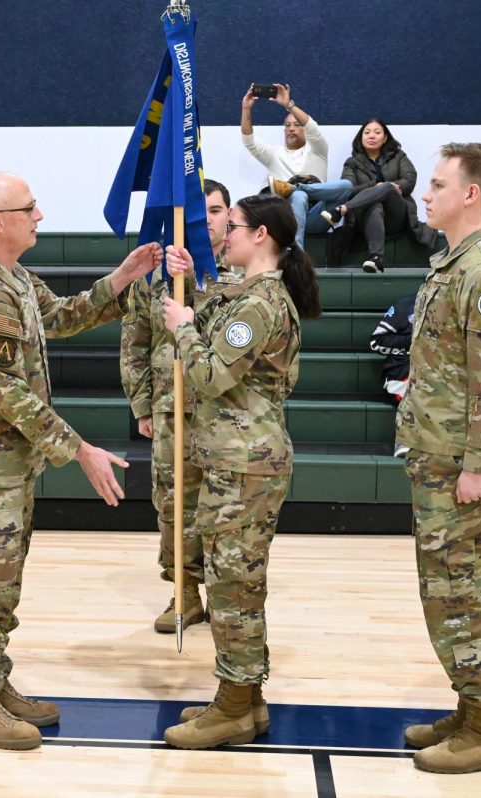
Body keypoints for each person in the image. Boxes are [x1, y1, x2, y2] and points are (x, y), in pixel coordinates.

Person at [0, 171, 162, 751]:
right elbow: (4, 391)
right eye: (29, 207)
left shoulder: (13, 279)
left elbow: (62, 315)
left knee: (2, 587)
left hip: (10, 470)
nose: (39, 216)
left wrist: (123, 278)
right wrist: (79, 449)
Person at [158, 193, 320, 750]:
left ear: (262, 237)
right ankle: (245, 700)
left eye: (235, 226)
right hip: (237, 459)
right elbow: (212, 322)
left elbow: (207, 375)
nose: (224, 233)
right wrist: (184, 286)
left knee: (233, 587)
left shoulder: (260, 304)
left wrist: (181, 327)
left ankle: (232, 705)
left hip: (244, 463)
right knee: (237, 584)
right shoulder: (246, 295)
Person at [394, 143, 481, 774]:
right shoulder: (452, 265)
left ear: (470, 194)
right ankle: (471, 710)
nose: (427, 192)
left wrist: (479, 464)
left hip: (462, 465)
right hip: (439, 458)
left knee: (463, 595)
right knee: (444, 591)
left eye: (439, 184)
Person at [120, 179, 242, 634]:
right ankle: (184, 593)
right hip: (171, 411)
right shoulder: (156, 275)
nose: (206, 219)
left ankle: (227, 596)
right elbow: (135, 340)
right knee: (174, 506)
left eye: (214, 210)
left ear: (229, 216)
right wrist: (142, 404)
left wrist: (196, 279)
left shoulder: (244, 268)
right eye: (199, 210)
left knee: (223, 508)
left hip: (226, 412)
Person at [240, 83, 352, 249]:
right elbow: (249, 141)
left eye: (297, 125)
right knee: (299, 197)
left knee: (347, 186)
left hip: (317, 215)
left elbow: (313, 129)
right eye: (287, 125)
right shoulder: (275, 154)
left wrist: (288, 105)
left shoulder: (318, 150)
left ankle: (295, 187)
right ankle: (297, 251)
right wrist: (246, 109)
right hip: (287, 217)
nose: (292, 129)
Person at [323, 118, 435, 272]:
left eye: (377, 132)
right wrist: (374, 186)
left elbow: (409, 180)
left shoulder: (398, 157)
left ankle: (341, 210)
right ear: (361, 138)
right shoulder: (352, 163)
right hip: (365, 218)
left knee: (388, 187)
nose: (371, 136)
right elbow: (348, 190)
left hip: (396, 217)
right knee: (375, 205)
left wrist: (386, 187)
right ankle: (376, 257)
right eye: (367, 132)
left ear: (385, 138)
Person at [369, 293, 415, 457]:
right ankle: (405, 439)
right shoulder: (407, 305)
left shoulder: (457, 306)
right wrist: (414, 339)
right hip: (402, 369)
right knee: (419, 390)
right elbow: (376, 342)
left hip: (439, 370)